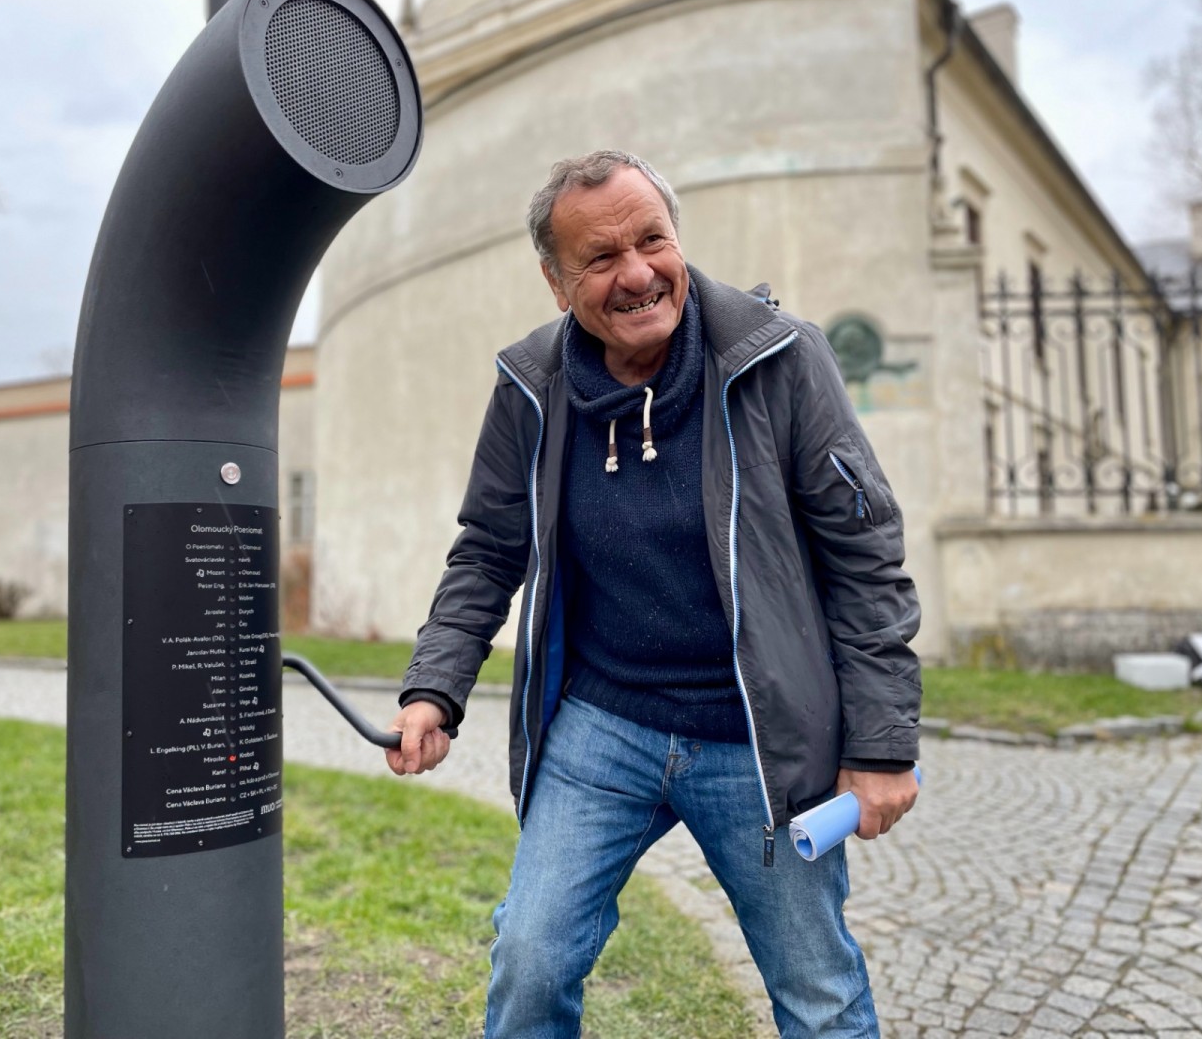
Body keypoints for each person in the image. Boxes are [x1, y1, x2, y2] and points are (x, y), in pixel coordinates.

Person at [385, 149, 921, 1039]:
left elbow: (865, 559)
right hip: (602, 726)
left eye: (652, 241)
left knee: (819, 995)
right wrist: (432, 689)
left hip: (757, 739)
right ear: (557, 283)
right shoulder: (531, 388)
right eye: (600, 257)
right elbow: (486, 552)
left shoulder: (781, 361)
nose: (636, 274)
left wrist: (883, 744)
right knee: (530, 959)